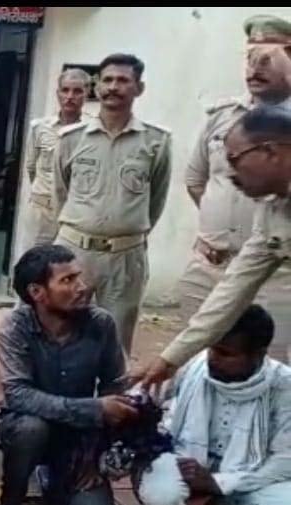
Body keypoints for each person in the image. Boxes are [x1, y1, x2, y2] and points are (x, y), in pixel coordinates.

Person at [0, 244, 135, 505]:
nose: (82, 287)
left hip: (78, 434)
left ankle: (55, 480)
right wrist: (94, 409)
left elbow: (115, 389)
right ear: (37, 292)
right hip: (26, 427)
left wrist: (95, 453)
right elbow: (18, 395)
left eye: (79, 277)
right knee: (30, 428)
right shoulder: (15, 327)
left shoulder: (101, 323)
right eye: (68, 280)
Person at [139, 104, 291, 389]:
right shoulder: (273, 208)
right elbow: (234, 288)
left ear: (270, 152)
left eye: (234, 160)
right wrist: (170, 359)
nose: (230, 174)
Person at [177, 15, 291, 361]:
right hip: (209, 267)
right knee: (196, 365)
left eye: (267, 59)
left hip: (275, 277)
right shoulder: (223, 115)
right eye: (250, 58)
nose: (255, 68)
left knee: (267, 370)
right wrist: (223, 229)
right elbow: (196, 180)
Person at [139, 305, 291, 505]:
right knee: (162, 497)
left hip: (245, 474)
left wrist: (219, 483)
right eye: (211, 348)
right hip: (183, 459)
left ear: (258, 354)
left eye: (225, 353)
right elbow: (146, 400)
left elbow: (285, 460)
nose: (212, 357)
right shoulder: (193, 363)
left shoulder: (285, 386)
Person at [52, 53, 172, 355]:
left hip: (125, 257)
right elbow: (60, 193)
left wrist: (127, 231)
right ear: (97, 87)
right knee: (61, 332)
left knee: (116, 341)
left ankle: (110, 386)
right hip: (74, 252)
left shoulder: (156, 141)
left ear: (139, 88)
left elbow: (156, 199)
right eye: (107, 80)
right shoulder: (71, 139)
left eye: (123, 81)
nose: (113, 87)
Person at [22, 68, 91, 250]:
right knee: (35, 260)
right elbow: (31, 167)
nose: (70, 96)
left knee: (70, 261)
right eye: (65, 90)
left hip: (75, 212)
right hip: (42, 211)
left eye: (77, 91)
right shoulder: (39, 127)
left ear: (87, 93)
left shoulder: (92, 131)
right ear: (57, 93)